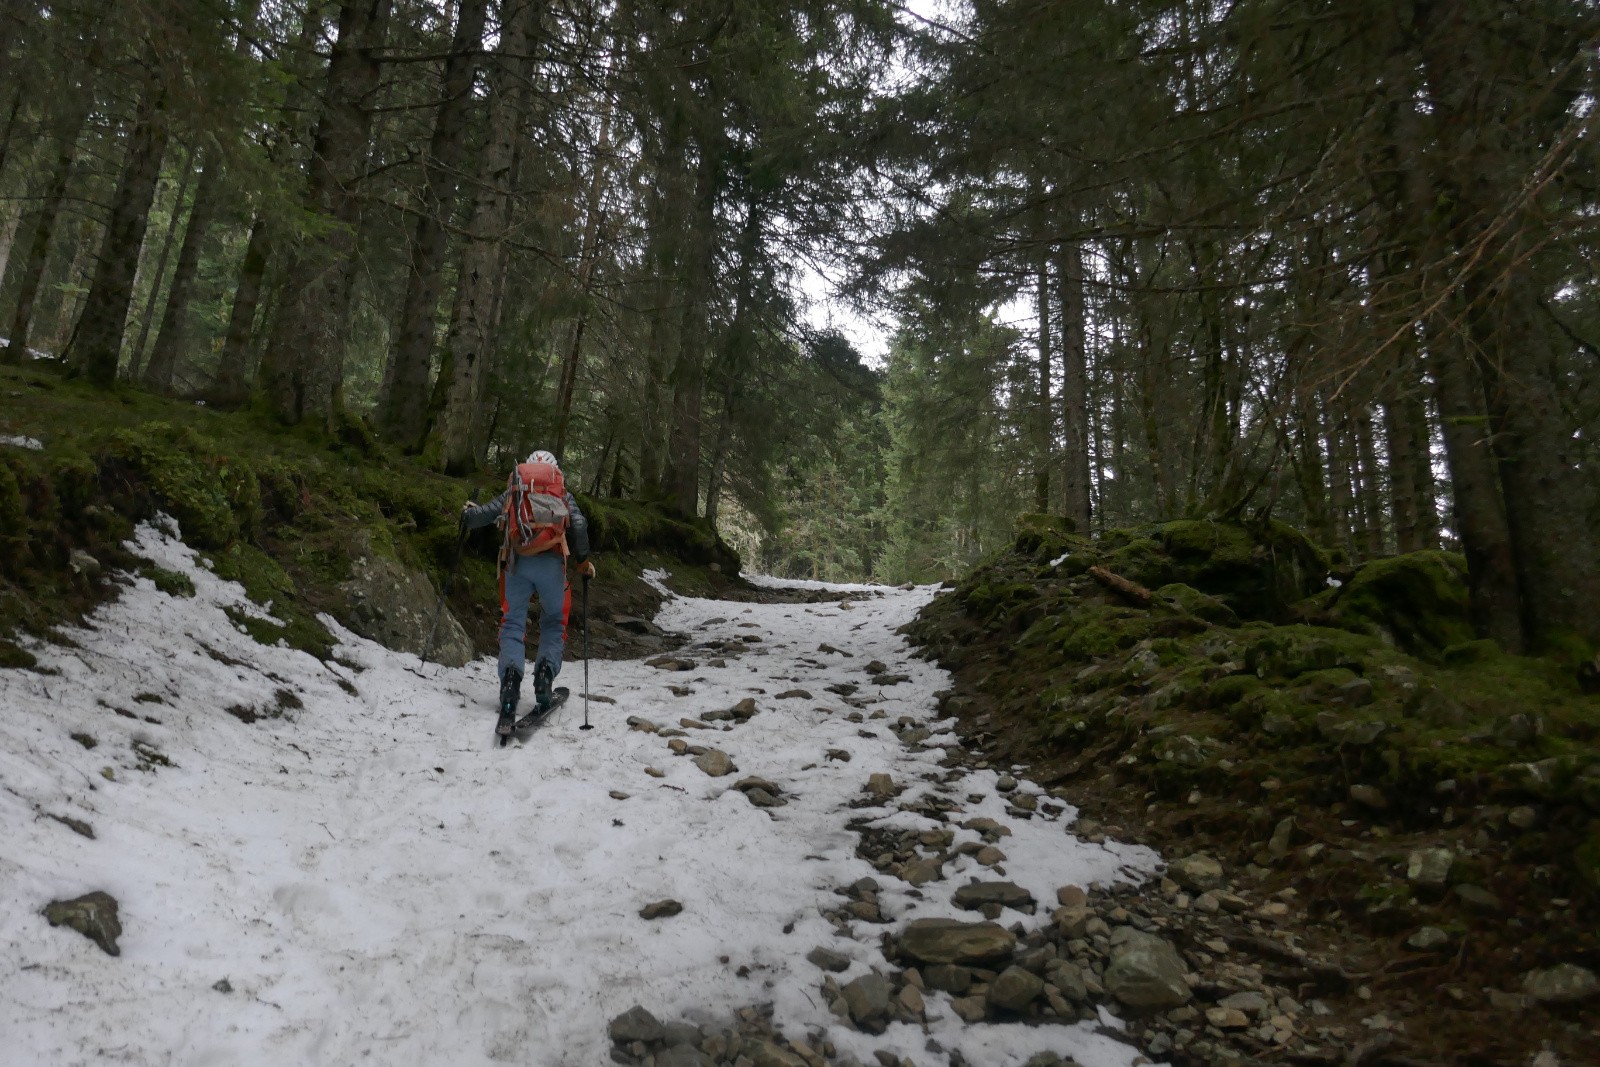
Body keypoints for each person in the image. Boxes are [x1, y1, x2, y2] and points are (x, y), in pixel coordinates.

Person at [461, 450, 595, 721]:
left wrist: (468, 514)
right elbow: (578, 524)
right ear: (555, 472)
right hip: (551, 567)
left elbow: (483, 515)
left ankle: (510, 683)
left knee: (512, 623)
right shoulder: (561, 493)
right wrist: (583, 562)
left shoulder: (516, 489)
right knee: (554, 622)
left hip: (517, 564)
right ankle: (544, 677)